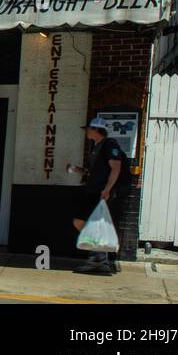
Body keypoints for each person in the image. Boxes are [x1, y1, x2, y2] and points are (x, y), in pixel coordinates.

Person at [70, 117, 129, 275]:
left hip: (101, 192)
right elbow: (94, 171)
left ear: (97, 130)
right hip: (92, 190)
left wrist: (107, 189)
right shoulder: (96, 147)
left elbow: (116, 167)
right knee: (82, 222)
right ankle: (99, 258)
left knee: (86, 223)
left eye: (89, 129)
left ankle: (98, 259)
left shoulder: (110, 145)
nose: (86, 132)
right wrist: (78, 170)